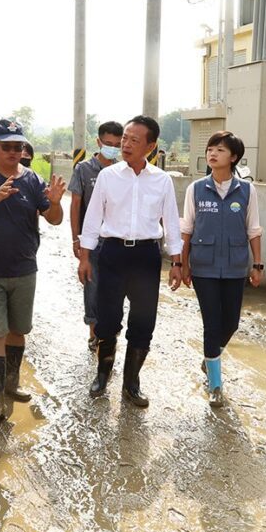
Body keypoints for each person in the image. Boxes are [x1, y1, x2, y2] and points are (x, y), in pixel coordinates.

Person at [0, 119, 66, 419]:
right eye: (6, 146)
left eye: (17, 147)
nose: (12, 152)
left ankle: (11, 383)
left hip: (23, 268)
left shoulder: (32, 180)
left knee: (18, 331)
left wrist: (56, 203)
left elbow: (54, 219)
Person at [78, 115, 183, 407]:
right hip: (111, 253)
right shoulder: (108, 177)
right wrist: (85, 256)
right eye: (125, 138)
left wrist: (176, 261)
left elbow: (171, 222)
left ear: (151, 146)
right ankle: (102, 374)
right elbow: (93, 217)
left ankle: (131, 383)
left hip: (146, 256)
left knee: (143, 321)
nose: (125, 144)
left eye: (134, 140)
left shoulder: (162, 181)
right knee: (107, 320)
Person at [180, 132, 263, 407]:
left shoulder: (248, 191)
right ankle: (215, 385)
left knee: (231, 323)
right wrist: (182, 264)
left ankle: (209, 359)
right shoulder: (196, 189)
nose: (212, 154)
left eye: (220, 150)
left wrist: (257, 264)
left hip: (236, 266)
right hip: (203, 267)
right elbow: (187, 229)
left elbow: (253, 229)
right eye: (210, 149)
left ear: (234, 157)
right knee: (211, 324)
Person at [68, 121, 123, 351]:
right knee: (92, 286)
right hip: (91, 242)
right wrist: (76, 238)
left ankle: (111, 331)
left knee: (115, 288)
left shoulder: (123, 170)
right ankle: (93, 333)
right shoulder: (83, 169)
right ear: (98, 142)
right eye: (108, 144)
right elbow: (75, 204)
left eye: (116, 145)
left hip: (116, 242)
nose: (112, 148)